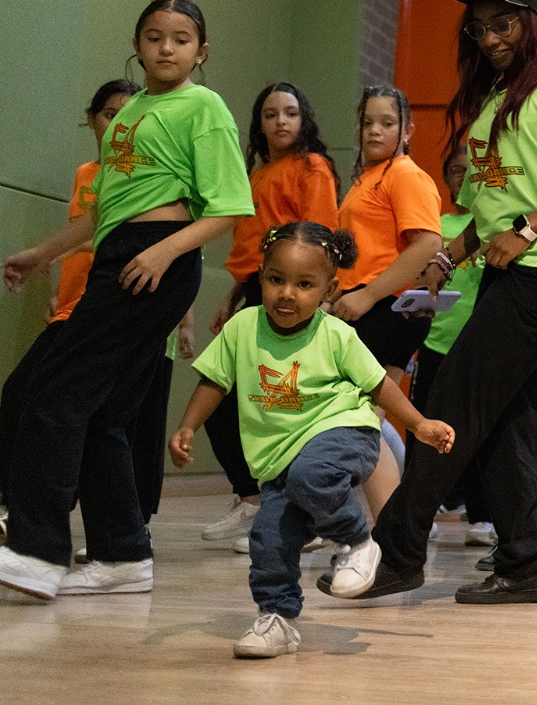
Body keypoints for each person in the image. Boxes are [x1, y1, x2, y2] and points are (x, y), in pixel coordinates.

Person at [322, 0, 537, 604]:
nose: (489, 38)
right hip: (506, 268)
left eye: (503, 23)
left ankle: (397, 552)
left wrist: (528, 229)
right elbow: (494, 205)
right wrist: (453, 253)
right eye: (479, 27)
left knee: (454, 398)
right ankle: (528, 563)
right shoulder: (495, 99)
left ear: (531, 23)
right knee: (511, 417)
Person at [0, 0, 254, 600]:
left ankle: (36, 551)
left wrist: (165, 253)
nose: (167, 48)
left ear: (201, 51)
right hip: (122, 254)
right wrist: (44, 253)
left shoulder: (204, 107)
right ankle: (122, 554)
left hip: (154, 259)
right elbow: (103, 212)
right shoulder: (130, 113)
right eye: (154, 36)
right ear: (137, 46)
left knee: (53, 393)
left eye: (181, 38)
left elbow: (229, 207)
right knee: (104, 414)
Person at [169, 222, 455, 658]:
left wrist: (418, 425)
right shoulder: (243, 327)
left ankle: (358, 543)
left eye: (304, 285)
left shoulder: (336, 334)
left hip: (344, 431)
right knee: (269, 538)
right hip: (277, 458)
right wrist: (188, 426)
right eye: (276, 279)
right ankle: (277, 620)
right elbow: (214, 381)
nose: (287, 294)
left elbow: (379, 384)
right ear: (260, 277)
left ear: (328, 290)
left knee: (312, 473)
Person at [202, 81, 341, 545]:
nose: (281, 121)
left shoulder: (312, 167)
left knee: (284, 402)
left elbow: (319, 238)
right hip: (256, 291)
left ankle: (303, 518)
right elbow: (249, 251)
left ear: (304, 120)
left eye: (290, 113)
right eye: (270, 114)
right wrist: (231, 298)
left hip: (291, 296)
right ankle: (254, 501)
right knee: (228, 402)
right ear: (259, 124)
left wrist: (317, 302)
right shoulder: (258, 173)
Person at [0, 80, 138, 535]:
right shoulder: (87, 174)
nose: (116, 124)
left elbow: (130, 237)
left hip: (107, 308)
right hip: (71, 308)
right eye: (109, 114)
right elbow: (87, 229)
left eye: (127, 116)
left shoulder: (140, 173)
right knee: (28, 398)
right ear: (91, 118)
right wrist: (53, 274)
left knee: (78, 414)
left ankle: (66, 528)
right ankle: (26, 514)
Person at [331, 84, 443, 516]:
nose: (375, 130)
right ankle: (391, 524)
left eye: (387, 123)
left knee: (360, 420)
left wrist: (367, 294)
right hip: (366, 305)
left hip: (386, 309)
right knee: (368, 419)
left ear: (408, 130)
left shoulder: (405, 175)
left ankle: (386, 526)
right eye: (367, 122)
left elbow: (427, 243)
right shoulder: (370, 177)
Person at [412, 145, 494, 546]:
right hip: (434, 344)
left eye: (469, 171)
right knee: (421, 428)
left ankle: (483, 517)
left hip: (477, 345)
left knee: (479, 431)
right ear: (446, 179)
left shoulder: (490, 227)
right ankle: (420, 513)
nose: (462, 178)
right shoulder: (438, 227)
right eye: (455, 171)